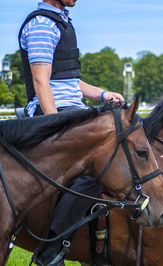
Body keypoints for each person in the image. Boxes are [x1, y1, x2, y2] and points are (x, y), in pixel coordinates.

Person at [18, 1, 125, 265]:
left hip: (72, 109)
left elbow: (68, 81)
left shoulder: (61, 21)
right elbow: (41, 81)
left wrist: (102, 94)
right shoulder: (43, 25)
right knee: (103, 163)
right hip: (54, 113)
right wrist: (55, 123)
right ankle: (53, 246)